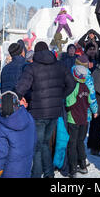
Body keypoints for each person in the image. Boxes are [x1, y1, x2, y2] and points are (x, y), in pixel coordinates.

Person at [15, 41, 75, 178]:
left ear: (36, 53)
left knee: (37, 145)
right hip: (54, 112)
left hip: (38, 111)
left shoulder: (32, 67)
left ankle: (37, 174)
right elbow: (71, 84)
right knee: (44, 144)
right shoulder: (60, 65)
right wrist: (60, 96)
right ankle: (48, 174)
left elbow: (21, 87)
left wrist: (18, 97)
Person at [0, 91, 36, 178]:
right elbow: (34, 140)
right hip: (26, 166)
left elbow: (0, 152)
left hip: (9, 171)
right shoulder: (28, 117)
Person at [65, 64, 98, 177]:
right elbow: (90, 101)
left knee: (72, 143)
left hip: (73, 119)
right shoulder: (87, 87)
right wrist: (95, 111)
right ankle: (83, 165)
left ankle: (73, 168)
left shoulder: (74, 87)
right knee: (80, 142)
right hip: (84, 119)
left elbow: (69, 103)